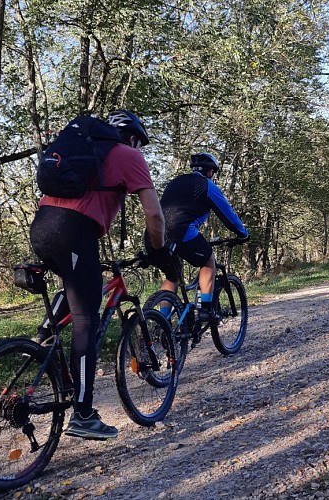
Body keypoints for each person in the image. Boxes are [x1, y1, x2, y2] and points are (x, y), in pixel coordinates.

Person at [29, 110, 167, 440]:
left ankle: (43, 335)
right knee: (86, 322)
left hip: (43, 227)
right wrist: (158, 249)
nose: (140, 148)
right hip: (73, 231)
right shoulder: (128, 155)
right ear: (132, 137)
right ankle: (83, 415)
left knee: (77, 287)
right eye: (140, 143)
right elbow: (154, 214)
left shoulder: (86, 151)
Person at [152, 152, 248, 322]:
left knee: (171, 276)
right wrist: (242, 233)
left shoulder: (174, 182)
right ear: (210, 171)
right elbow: (228, 214)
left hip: (154, 233)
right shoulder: (206, 185)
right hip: (180, 233)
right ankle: (205, 310)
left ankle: (163, 322)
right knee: (208, 260)